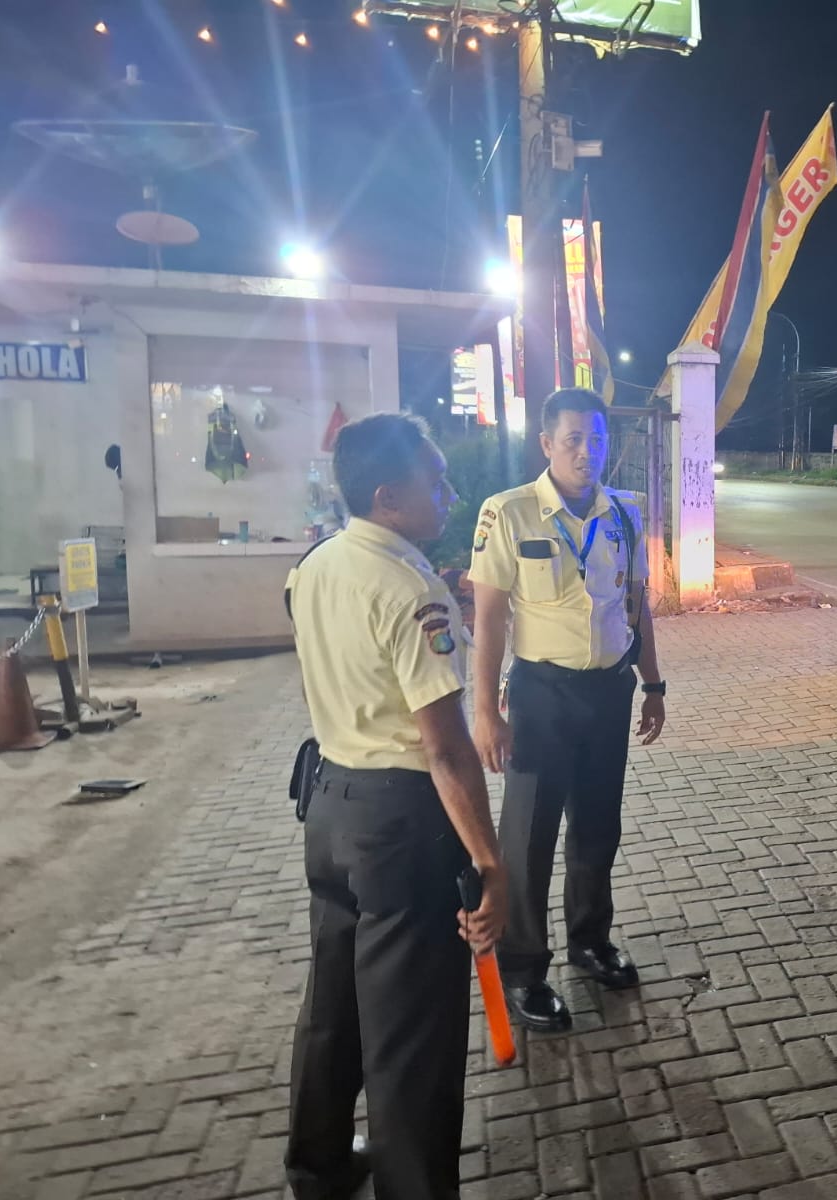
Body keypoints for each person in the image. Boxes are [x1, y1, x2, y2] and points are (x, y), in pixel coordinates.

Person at [283, 412, 507, 1200]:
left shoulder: (315, 566)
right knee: (411, 1034)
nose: (448, 492)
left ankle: (317, 1166)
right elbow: (445, 750)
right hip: (401, 825)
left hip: (329, 808)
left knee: (334, 1007)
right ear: (388, 496)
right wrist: (489, 864)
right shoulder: (411, 591)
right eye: (435, 480)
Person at [469, 387, 667, 1031]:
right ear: (547, 444)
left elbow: (636, 606)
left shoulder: (625, 513)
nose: (588, 452)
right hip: (541, 695)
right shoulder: (510, 513)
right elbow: (490, 619)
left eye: (599, 439)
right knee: (528, 838)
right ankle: (524, 969)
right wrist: (486, 711)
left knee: (597, 828)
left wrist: (654, 684)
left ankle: (589, 940)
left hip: (609, 692)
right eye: (575, 440)